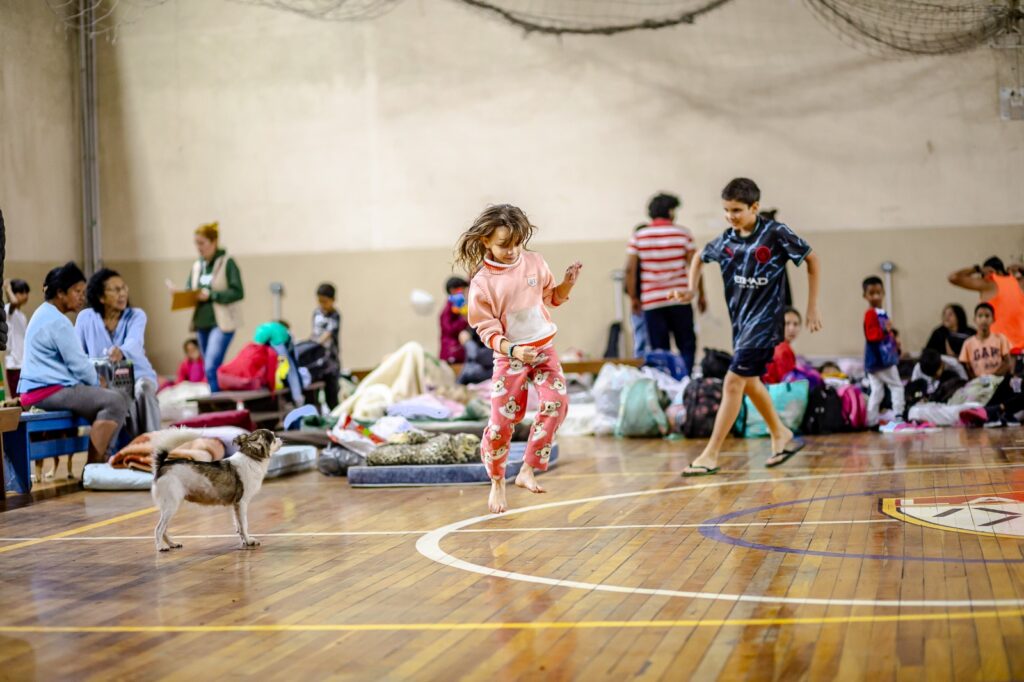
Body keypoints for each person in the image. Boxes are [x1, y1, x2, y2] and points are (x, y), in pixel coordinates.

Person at [672, 178, 821, 475]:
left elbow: (812, 259)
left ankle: (710, 455)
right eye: (726, 210)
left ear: (755, 207)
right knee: (750, 382)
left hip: (764, 326)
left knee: (733, 382)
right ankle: (781, 433)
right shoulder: (727, 240)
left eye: (737, 210)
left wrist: (812, 306)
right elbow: (699, 257)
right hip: (740, 326)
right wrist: (690, 290)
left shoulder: (775, 233)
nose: (731, 216)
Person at [456, 203, 582, 513]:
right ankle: (497, 480)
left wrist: (567, 283)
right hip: (509, 356)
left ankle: (527, 469)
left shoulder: (534, 262)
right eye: (504, 244)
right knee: (502, 423)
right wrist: (514, 350)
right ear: (486, 240)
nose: (512, 251)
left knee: (557, 404)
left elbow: (551, 298)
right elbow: (486, 331)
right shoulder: (482, 282)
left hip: (543, 350)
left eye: (517, 243)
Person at [18, 263, 128, 467]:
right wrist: (97, 382)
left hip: (37, 390)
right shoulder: (58, 321)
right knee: (116, 401)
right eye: (77, 292)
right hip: (48, 391)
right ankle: (95, 469)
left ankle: (101, 462)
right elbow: (79, 365)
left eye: (84, 292)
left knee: (106, 400)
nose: (82, 297)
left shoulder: (43, 313)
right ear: (60, 293)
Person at [75, 268, 161, 436]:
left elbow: (135, 342)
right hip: (102, 382)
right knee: (117, 398)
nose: (122, 294)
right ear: (101, 297)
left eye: (124, 288)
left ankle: (154, 442)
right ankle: (132, 446)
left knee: (143, 389)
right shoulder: (85, 318)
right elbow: (77, 353)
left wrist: (122, 351)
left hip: (138, 375)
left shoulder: (136, 315)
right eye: (115, 290)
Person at [625, 193, 704, 374]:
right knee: (686, 344)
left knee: (659, 348)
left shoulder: (639, 236)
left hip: (652, 300)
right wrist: (701, 294)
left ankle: (667, 382)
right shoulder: (683, 234)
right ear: (670, 211)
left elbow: (630, 270)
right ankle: (685, 379)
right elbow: (695, 266)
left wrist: (634, 298)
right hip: (680, 299)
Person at [184, 221, 244, 392]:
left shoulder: (227, 262)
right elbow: (190, 288)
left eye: (202, 243)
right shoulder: (198, 266)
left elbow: (238, 292)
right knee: (208, 368)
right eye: (196, 243)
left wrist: (213, 295)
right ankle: (214, 397)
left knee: (211, 366)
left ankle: (217, 402)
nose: (199, 248)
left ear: (214, 242)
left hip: (221, 323)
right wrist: (182, 295)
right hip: (201, 322)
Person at [948, 257, 1024, 349]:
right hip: (1020, 348)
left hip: (995, 347)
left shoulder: (989, 283)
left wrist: (976, 269)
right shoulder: (1018, 283)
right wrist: (1021, 268)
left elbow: (953, 278)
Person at [862, 276, 905, 426]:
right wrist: (885, 331)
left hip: (877, 360)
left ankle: (871, 420)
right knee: (896, 386)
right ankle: (899, 415)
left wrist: (895, 345)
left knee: (877, 391)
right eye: (871, 293)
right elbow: (871, 335)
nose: (875, 296)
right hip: (881, 360)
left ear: (883, 293)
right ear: (865, 295)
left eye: (878, 293)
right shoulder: (870, 314)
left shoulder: (881, 312)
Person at [959, 303, 1012, 379]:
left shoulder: (1000, 339)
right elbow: (966, 367)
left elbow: (1007, 362)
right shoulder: (968, 343)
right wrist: (976, 380)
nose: (983, 320)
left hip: (999, 380)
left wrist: (993, 377)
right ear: (975, 319)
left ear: (993, 319)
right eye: (980, 316)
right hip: (978, 382)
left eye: (987, 316)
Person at [311, 282, 342, 410]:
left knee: (331, 396)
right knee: (313, 395)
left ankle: (335, 416)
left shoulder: (335, 315)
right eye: (320, 301)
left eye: (325, 301)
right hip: (317, 361)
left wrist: (317, 343)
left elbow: (328, 333)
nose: (322, 305)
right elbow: (314, 332)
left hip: (330, 361)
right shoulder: (316, 313)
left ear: (333, 300)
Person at [623, 223, 650, 358]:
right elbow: (628, 281)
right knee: (642, 337)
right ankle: (641, 361)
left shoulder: (641, 260)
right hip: (641, 302)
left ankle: (644, 361)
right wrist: (634, 298)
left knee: (643, 337)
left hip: (646, 302)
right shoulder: (635, 262)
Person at [762, 307, 802, 384]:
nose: (791, 328)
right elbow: (787, 382)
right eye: (787, 323)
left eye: (795, 324)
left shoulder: (771, 343)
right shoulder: (783, 349)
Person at [4, 279, 31, 379]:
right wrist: (8, 289)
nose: (26, 295)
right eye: (22, 292)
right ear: (13, 293)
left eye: (26, 292)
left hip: (23, 363)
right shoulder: (7, 309)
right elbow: (14, 302)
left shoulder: (22, 316)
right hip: (14, 364)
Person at [439, 276, 469, 364]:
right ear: (453, 291)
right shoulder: (450, 308)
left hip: (458, 351)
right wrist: (464, 319)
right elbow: (449, 329)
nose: (465, 293)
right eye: (462, 290)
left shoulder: (461, 305)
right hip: (452, 353)